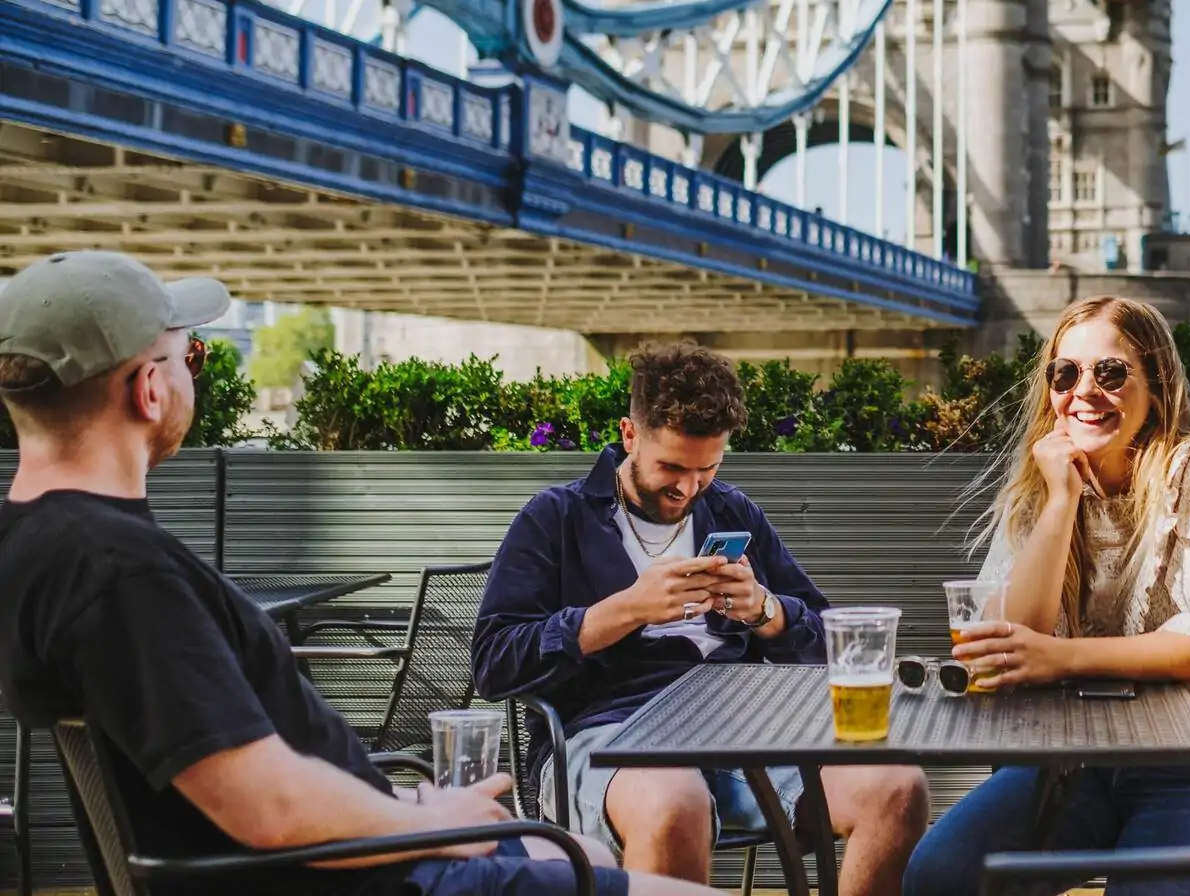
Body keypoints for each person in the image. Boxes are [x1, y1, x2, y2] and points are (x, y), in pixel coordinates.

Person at [0, 251, 690, 896]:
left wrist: (400, 804)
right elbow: (271, 808)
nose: (192, 372)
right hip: (372, 879)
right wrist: (437, 821)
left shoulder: (40, 543)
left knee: (587, 855)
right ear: (150, 388)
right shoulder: (120, 574)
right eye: (193, 356)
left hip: (341, 854)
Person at [473, 342, 928, 894]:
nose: (687, 489)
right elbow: (494, 663)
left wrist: (766, 611)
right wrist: (627, 609)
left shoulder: (734, 512)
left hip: (742, 727)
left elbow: (834, 643)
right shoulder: (556, 518)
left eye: (706, 469)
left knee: (898, 789)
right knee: (675, 803)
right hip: (613, 733)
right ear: (629, 434)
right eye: (671, 467)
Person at [903, 296, 1190, 896]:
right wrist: (1061, 501)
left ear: (1157, 382)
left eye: (1110, 373)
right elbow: (1004, 641)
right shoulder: (1045, 483)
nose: (1084, 390)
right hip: (1082, 754)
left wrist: (1059, 657)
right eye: (1065, 374)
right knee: (942, 876)